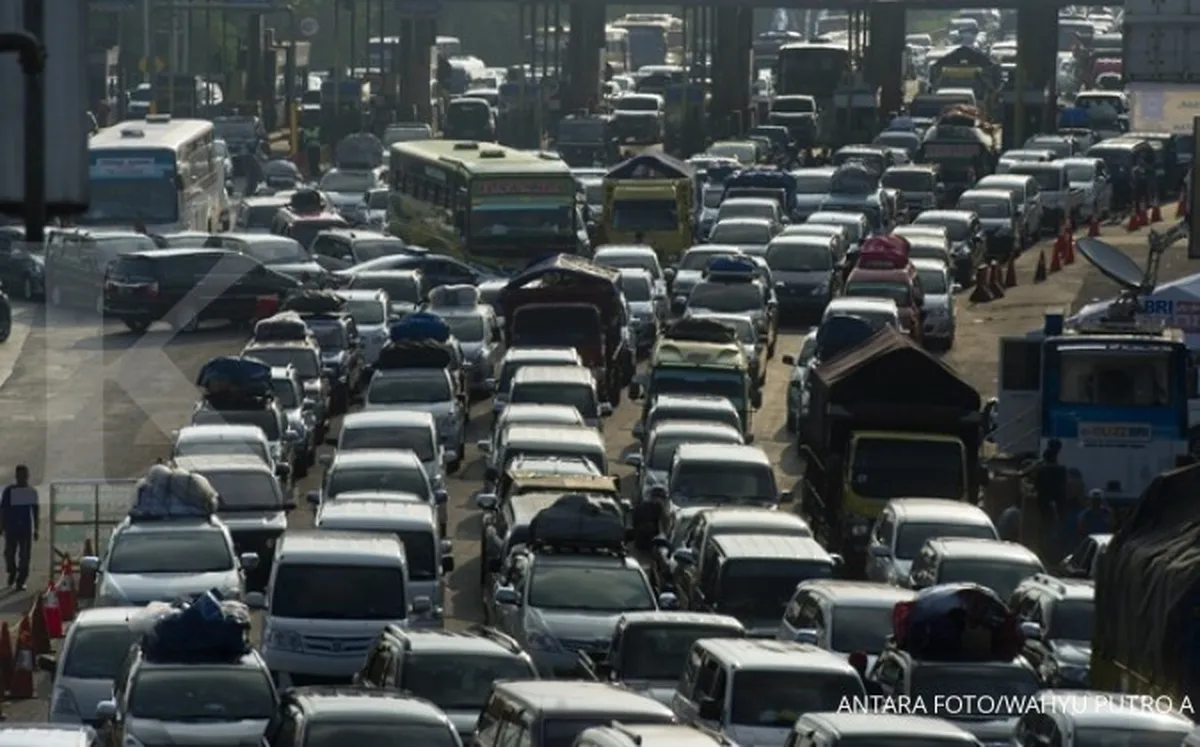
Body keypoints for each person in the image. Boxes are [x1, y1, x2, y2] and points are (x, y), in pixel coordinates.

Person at [0, 465, 39, 590]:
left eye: (24, 476)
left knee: (24, 557)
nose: (22, 479)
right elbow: (3, 510)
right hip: (11, 529)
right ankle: (12, 571)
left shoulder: (30, 492)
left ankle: (21, 580)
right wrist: (1, 525)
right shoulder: (9, 491)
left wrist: (36, 528)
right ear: (16, 477)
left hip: (24, 530)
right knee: (9, 555)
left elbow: (35, 511)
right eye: (20, 476)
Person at [1029, 439, 1067, 560]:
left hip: (1045, 504)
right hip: (1056, 504)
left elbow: (1037, 485)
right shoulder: (1061, 471)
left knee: (1046, 529)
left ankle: (1046, 552)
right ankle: (1052, 553)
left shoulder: (1044, 470)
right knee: (1053, 530)